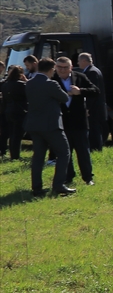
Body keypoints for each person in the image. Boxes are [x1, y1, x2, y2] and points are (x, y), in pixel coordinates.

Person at [25, 59, 73, 197]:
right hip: (51, 125)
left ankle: (37, 188)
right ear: (51, 69)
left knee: (38, 156)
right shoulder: (51, 84)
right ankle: (58, 184)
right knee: (64, 152)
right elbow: (64, 98)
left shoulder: (30, 83)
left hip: (34, 124)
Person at [51, 56, 98, 187]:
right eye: (59, 67)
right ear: (55, 67)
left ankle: (88, 177)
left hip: (79, 122)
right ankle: (68, 177)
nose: (62, 70)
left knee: (83, 151)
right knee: (65, 152)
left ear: (71, 67)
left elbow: (95, 91)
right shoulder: (52, 79)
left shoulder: (80, 77)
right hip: (61, 122)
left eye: (65, 67)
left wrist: (80, 91)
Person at [78, 52, 108, 151]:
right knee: (95, 127)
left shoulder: (92, 72)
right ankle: (96, 147)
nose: (78, 64)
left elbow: (93, 92)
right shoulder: (95, 70)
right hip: (97, 105)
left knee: (94, 128)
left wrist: (87, 107)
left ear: (83, 61)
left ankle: (96, 148)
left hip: (94, 105)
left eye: (79, 61)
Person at [2, 66, 28, 159]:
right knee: (18, 135)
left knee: (12, 134)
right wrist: (26, 81)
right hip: (19, 111)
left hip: (9, 111)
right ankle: (15, 155)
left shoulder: (5, 84)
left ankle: (13, 154)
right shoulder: (22, 85)